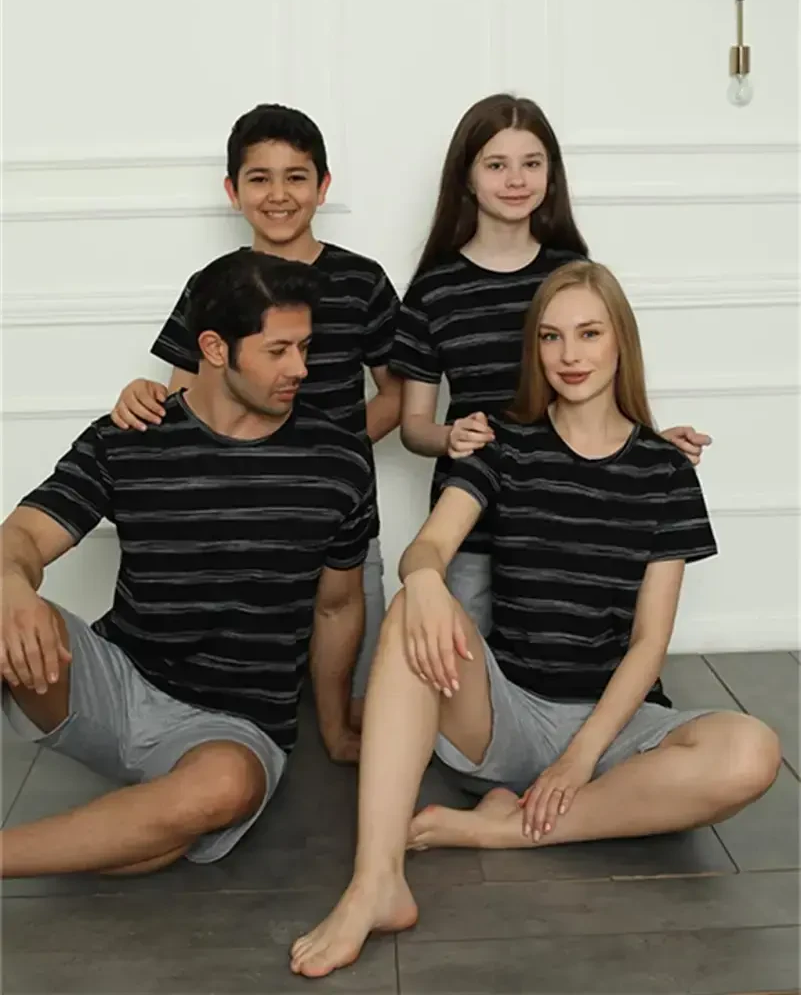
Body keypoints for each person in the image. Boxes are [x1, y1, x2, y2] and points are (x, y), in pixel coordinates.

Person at [289, 259, 781, 979]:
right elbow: (428, 547)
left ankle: (504, 831)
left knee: (752, 751)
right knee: (411, 611)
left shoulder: (664, 472)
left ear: (620, 341)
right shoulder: (504, 446)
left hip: (612, 728)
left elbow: (649, 643)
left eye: (588, 333)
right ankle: (376, 883)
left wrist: (579, 759)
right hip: (507, 715)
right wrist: (424, 581)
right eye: (551, 337)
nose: (569, 354)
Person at [0, 250, 376, 878]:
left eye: (305, 348)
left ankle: (124, 828)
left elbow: (337, 606)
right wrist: (10, 585)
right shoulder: (130, 436)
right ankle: (140, 826)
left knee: (220, 790)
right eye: (278, 350)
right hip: (115, 682)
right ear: (215, 348)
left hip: (233, 728)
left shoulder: (338, 461)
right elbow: (22, 536)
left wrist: (335, 731)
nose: (300, 369)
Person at [108, 104, 401, 726]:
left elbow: (395, 395)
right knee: (230, 692)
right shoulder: (211, 285)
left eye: (296, 176)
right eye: (259, 178)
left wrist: (329, 461)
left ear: (323, 185)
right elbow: (184, 398)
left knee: (361, 701)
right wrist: (140, 392)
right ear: (232, 190)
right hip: (234, 522)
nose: (278, 194)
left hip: (336, 525)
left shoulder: (363, 281)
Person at [390, 92, 711, 637]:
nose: (516, 180)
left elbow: (601, 390)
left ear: (551, 174)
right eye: (496, 165)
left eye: (531, 163)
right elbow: (413, 427)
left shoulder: (574, 273)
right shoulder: (433, 290)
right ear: (467, 178)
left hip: (564, 520)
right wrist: (449, 437)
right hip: (471, 522)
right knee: (456, 661)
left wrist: (653, 448)